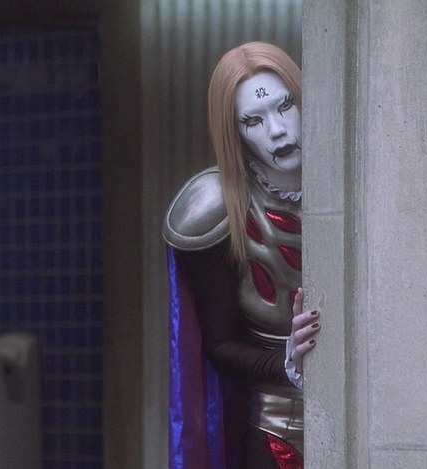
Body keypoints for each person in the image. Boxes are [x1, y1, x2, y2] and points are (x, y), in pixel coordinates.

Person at [164, 42, 320, 469]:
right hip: (280, 431)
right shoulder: (215, 208)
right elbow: (219, 345)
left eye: (285, 106)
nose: (277, 130)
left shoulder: (362, 180)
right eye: (254, 120)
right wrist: (286, 360)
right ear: (233, 132)